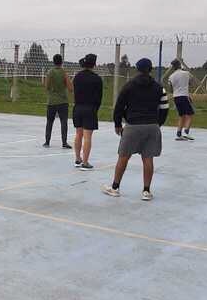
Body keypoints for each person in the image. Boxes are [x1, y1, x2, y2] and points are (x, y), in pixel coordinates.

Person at [102, 58, 169, 200]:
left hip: (133, 126)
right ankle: (146, 191)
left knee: (123, 157)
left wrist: (117, 124)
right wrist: (158, 123)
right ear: (150, 69)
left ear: (137, 69)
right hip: (152, 126)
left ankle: (115, 187)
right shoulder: (159, 87)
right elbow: (164, 108)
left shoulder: (129, 86)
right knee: (148, 158)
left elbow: (119, 106)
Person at [72, 53, 103, 170]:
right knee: (87, 136)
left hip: (78, 107)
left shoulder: (77, 77)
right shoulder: (97, 79)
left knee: (78, 134)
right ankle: (85, 162)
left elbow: (75, 92)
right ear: (94, 64)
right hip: (90, 108)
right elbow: (99, 97)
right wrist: (95, 109)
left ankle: (77, 158)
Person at [43, 54, 73, 149]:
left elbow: (46, 86)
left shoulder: (50, 72)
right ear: (62, 62)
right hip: (63, 101)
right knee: (63, 122)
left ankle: (47, 141)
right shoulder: (64, 73)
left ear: (53, 61)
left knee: (49, 121)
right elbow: (70, 88)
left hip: (51, 101)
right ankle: (64, 142)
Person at [168, 59, 195, 141]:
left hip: (176, 97)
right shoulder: (186, 73)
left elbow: (171, 89)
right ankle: (186, 132)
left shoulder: (171, 76)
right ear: (180, 65)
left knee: (181, 115)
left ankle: (179, 133)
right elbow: (191, 82)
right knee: (190, 114)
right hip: (184, 96)